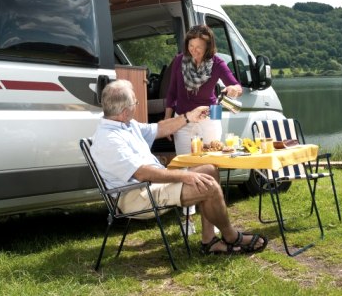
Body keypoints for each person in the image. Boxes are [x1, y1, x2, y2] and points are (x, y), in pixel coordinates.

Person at [91, 79, 267, 256]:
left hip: (149, 186)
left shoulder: (126, 125)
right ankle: (231, 236)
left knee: (209, 170)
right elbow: (142, 173)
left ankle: (209, 241)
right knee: (209, 186)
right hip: (136, 195)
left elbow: (159, 128)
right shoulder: (110, 139)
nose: (137, 105)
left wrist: (188, 116)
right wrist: (183, 176)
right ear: (124, 111)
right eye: (135, 103)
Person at [164, 24, 243, 233]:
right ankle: (188, 219)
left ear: (208, 47)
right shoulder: (180, 61)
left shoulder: (216, 63)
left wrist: (232, 90)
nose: (194, 51)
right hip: (183, 120)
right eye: (191, 45)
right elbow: (171, 93)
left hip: (209, 120)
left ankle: (213, 219)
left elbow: (236, 85)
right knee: (185, 168)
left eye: (199, 47)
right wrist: (168, 122)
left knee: (210, 168)